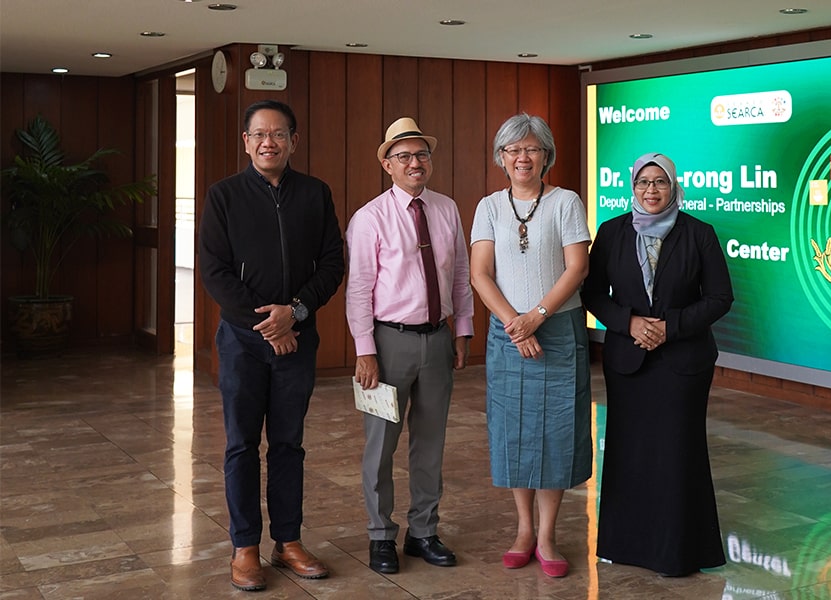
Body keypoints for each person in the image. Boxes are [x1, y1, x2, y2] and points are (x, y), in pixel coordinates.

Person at [198, 100, 344, 591]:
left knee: (288, 444)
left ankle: (288, 541)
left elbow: (331, 265)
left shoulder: (315, 194)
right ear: (246, 142)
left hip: (298, 339)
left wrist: (294, 313)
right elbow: (215, 272)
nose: (268, 142)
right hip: (243, 342)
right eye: (259, 134)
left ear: (293, 141)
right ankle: (244, 547)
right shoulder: (224, 196)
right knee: (241, 445)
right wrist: (268, 324)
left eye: (278, 134)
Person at [581, 152, 733, 576]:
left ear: (673, 186)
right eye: (643, 182)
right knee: (630, 453)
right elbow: (593, 293)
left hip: (683, 363)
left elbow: (720, 297)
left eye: (660, 182)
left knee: (676, 454)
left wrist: (670, 327)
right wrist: (628, 322)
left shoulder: (699, 233)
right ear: (633, 187)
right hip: (629, 363)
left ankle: (678, 553)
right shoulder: (611, 232)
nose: (651, 190)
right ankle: (625, 545)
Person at [345, 116, 474, 574]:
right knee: (380, 444)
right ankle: (381, 535)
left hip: (437, 340)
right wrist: (364, 350)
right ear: (387, 164)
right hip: (387, 343)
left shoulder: (447, 209)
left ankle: (423, 532)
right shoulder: (369, 218)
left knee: (431, 442)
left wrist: (462, 330)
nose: (415, 162)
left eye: (422, 155)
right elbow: (359, 288)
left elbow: (459, 275)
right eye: (404, 156)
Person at [469, 113, 592, 578]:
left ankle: (547, 536)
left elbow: (576, 268)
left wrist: (536, 317)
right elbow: (480, 272)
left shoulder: (565, 201)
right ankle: (522, 529)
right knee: (514, 432)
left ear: (546, 156)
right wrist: (513, 325)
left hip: (557, 331)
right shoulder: (489, 207)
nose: (522, 157)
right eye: (513, 150)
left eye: (532, 149)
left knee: (557, 433)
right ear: (501, 158)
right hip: (508, 335)